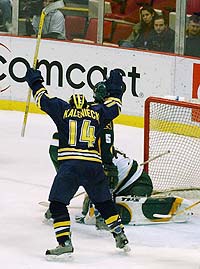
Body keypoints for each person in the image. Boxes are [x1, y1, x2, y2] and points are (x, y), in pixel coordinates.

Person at [25, 67, 130, 258]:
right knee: (104, 203)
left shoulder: (62, 109)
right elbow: (116, 106)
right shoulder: (97, 112)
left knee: (57, 205)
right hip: (94, 166)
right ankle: (119, 234)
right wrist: (115, 87)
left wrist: (34, 80)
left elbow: (42, 98)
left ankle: (64, 242)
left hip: (71, 166)